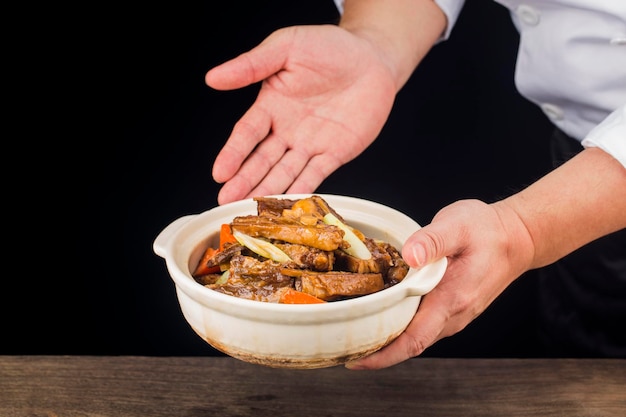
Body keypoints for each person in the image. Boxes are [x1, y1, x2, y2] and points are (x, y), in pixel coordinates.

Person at [204, 0, 626, 368]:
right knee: (576, 359)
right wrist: (375, 41)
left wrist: (524, 230)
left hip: (604, 176)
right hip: (577, 161)